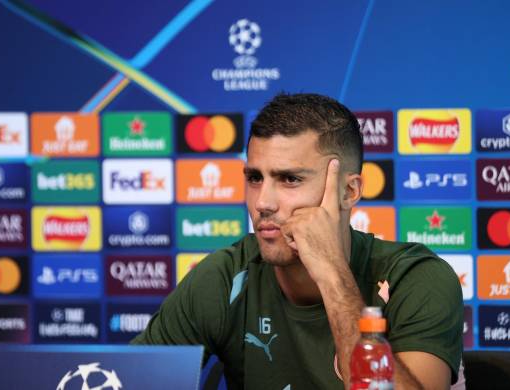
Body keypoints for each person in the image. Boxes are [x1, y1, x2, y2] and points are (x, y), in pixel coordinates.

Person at [131, 93, 463, 389]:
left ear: (349, 191)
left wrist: (332, 274)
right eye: (255, 178)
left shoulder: (416, 279)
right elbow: (126, 382)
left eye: (290, 179)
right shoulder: (225, 277)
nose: (263, 202)